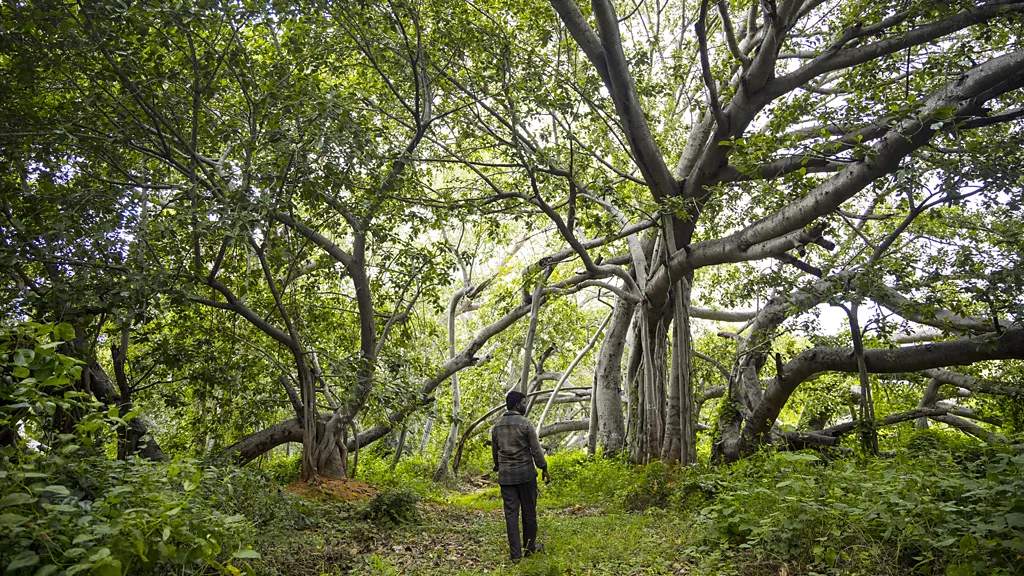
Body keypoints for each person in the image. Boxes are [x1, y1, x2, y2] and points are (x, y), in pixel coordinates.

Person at [491, 390, 551, 562]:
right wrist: (544, 467)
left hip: (506, 478)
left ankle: (515, 556)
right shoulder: (525, 424)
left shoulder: (497, 426)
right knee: (529, 512)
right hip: (525, 475)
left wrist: (498, 466)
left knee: (511, 515)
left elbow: (495, 452)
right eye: (523, 403)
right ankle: (530, 549)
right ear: (517, 404)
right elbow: (536, 450)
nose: (525, 406)